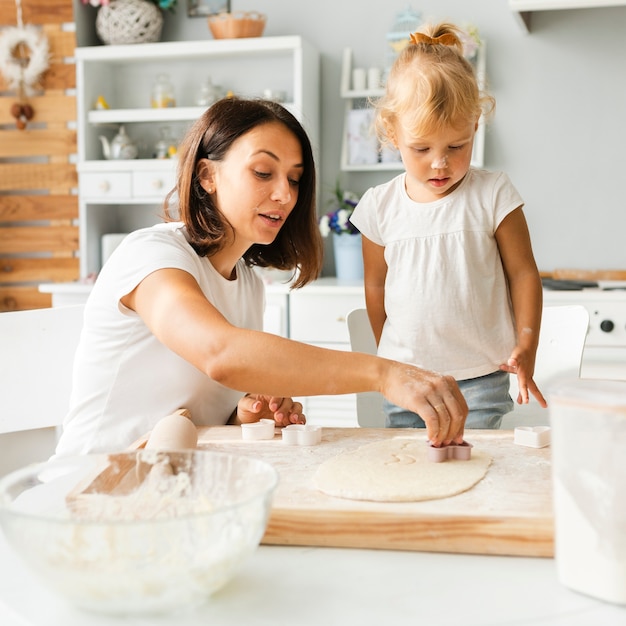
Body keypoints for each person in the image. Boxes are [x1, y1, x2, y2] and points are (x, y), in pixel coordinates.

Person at [55, 97, 468, 457]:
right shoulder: (151, 256)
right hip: (91, 489)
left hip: (170, 491)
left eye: (294, 178)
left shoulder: (248, 285)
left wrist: (245, 414)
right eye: (263, 172)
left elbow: (201, 411)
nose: (285, 195)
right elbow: (220, 354)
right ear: (207, 176)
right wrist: (384, 373)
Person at [350, 23, 545, 430]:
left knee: (472, 475)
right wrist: (393, 355)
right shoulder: (379, 207)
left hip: (481, 380)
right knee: (410, 478)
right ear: (392, 134)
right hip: (407, 383)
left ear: (475, 125)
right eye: (421, 149)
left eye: (456, 146)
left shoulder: (494, 194)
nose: (440, 163)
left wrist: (527, 344)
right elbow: (375, 288)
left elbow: (524, 273)